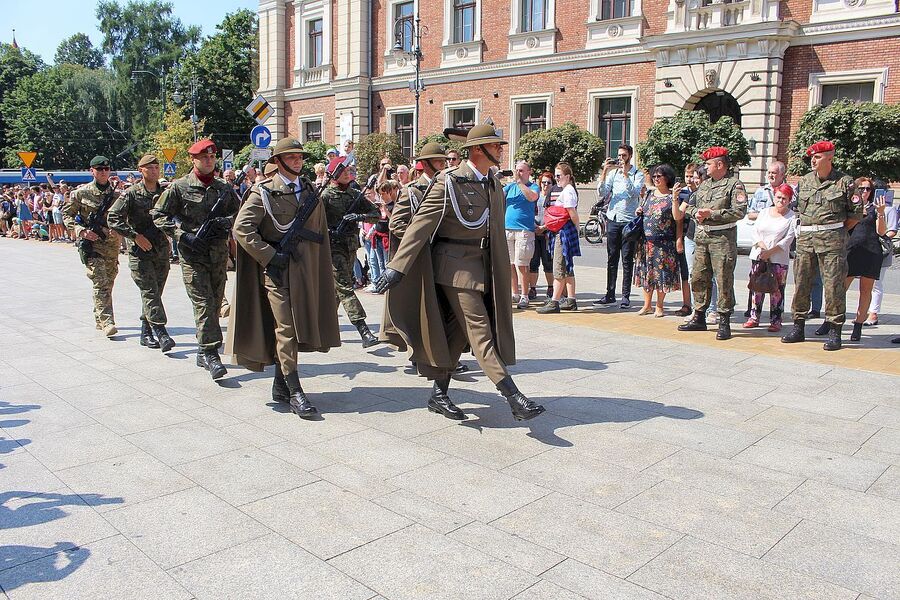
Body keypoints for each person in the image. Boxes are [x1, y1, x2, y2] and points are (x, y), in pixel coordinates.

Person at [376, 124, 545, 422]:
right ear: (478, 150)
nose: (500, 150)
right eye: (495, 146)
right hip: (453, 268)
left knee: (455, 335)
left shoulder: (491, 182)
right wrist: (396, 267)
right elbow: (419, 226)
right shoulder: (449, 182)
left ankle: (439, 394)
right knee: (480, 329)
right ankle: (513, 396)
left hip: (483, 265)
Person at [227, 137, 340, 419]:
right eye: (290, 158)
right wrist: (269, 255)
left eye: (299, 157)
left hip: (304, 270)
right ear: (277, 162)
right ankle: (295, 390)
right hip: (276, 272)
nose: (297, 162)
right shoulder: (263, 192)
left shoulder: (309, 189)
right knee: (286, 328)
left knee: (300, 325)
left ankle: (280, 383)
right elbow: (242, 229)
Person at [153, 139, 240, 379]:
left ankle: (203, 349)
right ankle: (212, 353)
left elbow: (240, 212)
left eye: (212, 157)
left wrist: (227, 222)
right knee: (203, 304)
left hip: (218, 255)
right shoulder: (179, 187)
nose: (209, 160)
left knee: (214, 302)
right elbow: (159, 215)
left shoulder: (224, 188)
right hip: (193, 255)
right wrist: (182, 235)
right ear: (194, 160)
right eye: (204, 157)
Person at [781, 140, 861, 350]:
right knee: (801, 284)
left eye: (817, 157)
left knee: (834, 286)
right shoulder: (805, 181)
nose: (813, 160)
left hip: (832, 242)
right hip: (806, 241)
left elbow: (855, 215)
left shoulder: (845, 182)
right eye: (812, 157)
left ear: (830, 157)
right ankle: (798, 327)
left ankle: (835, 330)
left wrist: (834, 231)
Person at [677, 146, 747, 340]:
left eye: (708, 164)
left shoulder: (734, 185)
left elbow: (740, 211)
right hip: (701, 238)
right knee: (699, 277)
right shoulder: (705, 185)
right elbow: (688, 206)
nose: (705, 167)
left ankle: (724, 320)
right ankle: (699, 316)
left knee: (723, 279)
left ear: (719, 164)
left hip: (722, 239)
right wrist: (696, 213)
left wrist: (712, 214)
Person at [107, 154, 175, 352]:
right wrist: (134, 236)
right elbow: (113, 217)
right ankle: (161, 332)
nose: (154, 171)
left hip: (161, 250)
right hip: (140, 252)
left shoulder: (166, 192)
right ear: (141, 170)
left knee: (156, 292)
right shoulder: (131, 193)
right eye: (149, 168)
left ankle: (146, 331)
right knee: (150, 291)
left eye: (156, 167)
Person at [321, 156, 383, 348]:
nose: (348, 172)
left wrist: (359, 216)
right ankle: (363, 330)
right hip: (333, 248)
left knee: (337, 290)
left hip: (350, 247)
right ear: (334, 174)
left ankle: (321, 328)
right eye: (344, 170)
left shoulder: (355, 194)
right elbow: (314, 222)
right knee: (346, 288)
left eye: (349, 170)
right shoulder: (325, 196)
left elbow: (375, 215)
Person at [63, 156, 121, 337]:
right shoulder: (81, 193)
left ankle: (99, 315)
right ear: (92, 171)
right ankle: (108, 321)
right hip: (92, 244)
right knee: (100, 282)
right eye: (99, 169)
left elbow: (123, 217)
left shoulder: (117, 194)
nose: (103, 172)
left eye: (106, 169)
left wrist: (120, 230)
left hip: (111, 245)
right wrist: (81, 231)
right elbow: (67, 215)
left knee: (109, 281)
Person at [594, 144, 645, 309]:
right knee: (611, 258)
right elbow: (602, 192)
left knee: (627, 259)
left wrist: (625, 175)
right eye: (619, 155)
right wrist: (604, 172)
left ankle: (625, 296)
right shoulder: (613, 173)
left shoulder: (637, 174)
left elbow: (634, 193)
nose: (621, 158)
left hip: (629, 221)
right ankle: (610, 294)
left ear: (630, 155)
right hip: (613, 218)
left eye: (623, 155)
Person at [743, 184, 797, 332]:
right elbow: (755, 232)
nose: (781, 201)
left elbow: (788, 239)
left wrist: (771, 251)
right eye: (779, 197)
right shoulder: (764, 212)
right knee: (756, 287)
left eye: (784, 198)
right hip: (759, 255)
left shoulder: (791, 216)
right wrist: (761, 247)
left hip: (778, 258)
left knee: (777, 290)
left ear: (789, 200)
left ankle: (776, 320)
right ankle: (754, 317)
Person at [634, 164, 683, 317]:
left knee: (662, 274)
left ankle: (659, 306)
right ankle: (647, 305)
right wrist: (639, 210)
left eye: (658, 176)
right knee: (647, 273)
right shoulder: (649, 194)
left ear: (667, 178)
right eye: (654, 176)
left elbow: (677, 218)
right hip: (646, 242)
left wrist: (678, 240)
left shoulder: (672, 197)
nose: (655, 179)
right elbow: (643, 209)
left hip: (664, 243)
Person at [844, 177, 887, 343]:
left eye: (868, 189)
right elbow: (844, 227)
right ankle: (832, 322)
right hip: (851, 251)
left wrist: (881, 212)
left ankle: (858, 326)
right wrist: (856, 215)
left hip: (870, 251)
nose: (864, 192)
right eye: (861, 188)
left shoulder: (875, 208)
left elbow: (881, 232)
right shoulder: (848, 206)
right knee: (840, 289)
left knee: (865, 291)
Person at [743, 161, 787, 316]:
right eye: (769, 172)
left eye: (774, 173)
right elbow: (750, 213)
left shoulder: (790, 191)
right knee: (756, 280)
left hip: (777, 245)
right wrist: (767, 212)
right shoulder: (761, 191)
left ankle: (776, 316)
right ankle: (753, 313)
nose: (770, 175)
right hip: (760, 245)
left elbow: (792, 214)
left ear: (782, 174)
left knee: (777, 284)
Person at [536, 162, 581, 314]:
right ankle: (571, 300)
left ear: (567, 176)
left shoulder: (568, 191)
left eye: (559, 176)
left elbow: (572, 213)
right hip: (564, 230)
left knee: (559, 267)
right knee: (567, 266)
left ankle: (554, 301)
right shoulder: (568, 189)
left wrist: (576, 228)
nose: (556, 179)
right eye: (555, 176)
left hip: (563, 231)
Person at [504, 160, 540, 309]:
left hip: (524, 230)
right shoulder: (510, 187)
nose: (518, 173)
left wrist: (519, 183)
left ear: (528, 172)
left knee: (522, 264)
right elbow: (496, 196)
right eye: (516, 170)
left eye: (521, 170)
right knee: (510, 264)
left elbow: (532, 197)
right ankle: (515, 293)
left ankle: (525, 295)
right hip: (508, 229)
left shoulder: (533, 187)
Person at [865, 180, 897, 326]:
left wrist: (880, 237)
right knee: (866, 283)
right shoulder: (869, 208)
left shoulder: (890, 209)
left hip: (881, 250)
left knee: (877, 283)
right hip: (868, 249)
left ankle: (873, 313)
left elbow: (892, 230)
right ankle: (865, 311)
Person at [674, 163, 699, 317]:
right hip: (686, 236)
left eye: (692, 176)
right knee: (686, 272)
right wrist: (679, 239)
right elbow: (678, 219)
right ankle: (687, 304)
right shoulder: (683, 194)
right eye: (687, 176)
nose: (689, 180)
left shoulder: (702, 193)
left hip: (700, 236)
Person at [528, 171, 555, 300]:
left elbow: (556, 216)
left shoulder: (554, 198)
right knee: (533, 262)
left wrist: (545, 228)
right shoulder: (535, 196)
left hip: (547, 234)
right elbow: (529, 212)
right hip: (534, 232)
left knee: (548, 262)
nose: (545, 185)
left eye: (548, 183)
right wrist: (535, 227)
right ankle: (532, 289)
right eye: (543, 182)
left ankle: (551, 287)